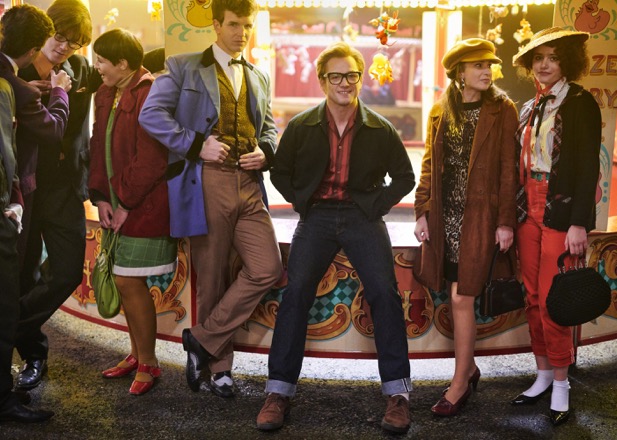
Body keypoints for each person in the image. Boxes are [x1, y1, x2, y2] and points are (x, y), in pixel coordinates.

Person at [256, 41, 415, 434]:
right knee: (296, 294)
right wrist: (302, 201)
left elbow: (405, 177)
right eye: (336, 76)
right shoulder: (302, 126)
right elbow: (279, 172)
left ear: (360, 79)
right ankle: (278, 392)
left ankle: (398, 395)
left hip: (362, 216)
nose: (345, 83)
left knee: (385, 293)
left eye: (352, 75)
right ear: (323, 81)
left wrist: (375, 205)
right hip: (319, 216)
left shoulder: (379, 128)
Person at [139, 0, 282, 399]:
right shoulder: (183, 65)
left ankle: (200, 339)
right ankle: (220, 369)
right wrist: (196, 144)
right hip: (207, 180)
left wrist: (266, 151)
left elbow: (269, 128)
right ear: (216, 25)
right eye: (234, 25)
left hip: (249, 182)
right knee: (213, 275)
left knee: (267, 268)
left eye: (247, 26)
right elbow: (151, 115)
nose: (241, 33)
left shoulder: (258, 75)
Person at [413, 38, 518, 417]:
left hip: (480, 219)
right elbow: (429, 164)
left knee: (461, 297)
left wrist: (505, 222)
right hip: (446, 218)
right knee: (454, 294)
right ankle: (469, 369)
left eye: (489, 65)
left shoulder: (502, 109)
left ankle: (459, 383)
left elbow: (509, 170)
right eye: (478, 66)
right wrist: (421, 210)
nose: (487, 71)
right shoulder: (441, 110)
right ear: (460, 72)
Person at [510, 27, 600, 426]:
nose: (544, 64)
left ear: (568, 62)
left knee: (553, 299)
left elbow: (587, 166)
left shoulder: (580, 102)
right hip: (526, 206)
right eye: (538, 57)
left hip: (560, 208)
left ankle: (561, 384)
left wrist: (580, 222)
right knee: (531, 296)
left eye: (553, 57)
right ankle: (543, 373)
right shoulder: (529, 106)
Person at [88, 28, 177, 396]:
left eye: (101, 61)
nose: (97, 67)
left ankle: (149, 361)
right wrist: (101, 197)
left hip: (144, 204)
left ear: (123, 63)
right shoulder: (106, 92)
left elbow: (152, 159)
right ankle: (136, 354)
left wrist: (124, 202)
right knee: (123, 281)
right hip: (116, 203)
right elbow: (97, 144)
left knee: (127, 281)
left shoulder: (150, 91)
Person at [13, 0, 93, 393]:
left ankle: (11, 327)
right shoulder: (17, 69)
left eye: (74, 42)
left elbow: (121, 67)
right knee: (23, 274)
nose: (64, 47)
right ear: (46, 30)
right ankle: (34, 355)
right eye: (60, 36)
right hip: (23, 187)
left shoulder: (80, 69)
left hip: (63, 184)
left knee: (67, 271)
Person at [0, 4, 67, 423]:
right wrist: (11, 203)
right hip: (9, 206)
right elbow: (48, 132)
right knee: (6, 304)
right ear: (32, 49)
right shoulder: (13, 86)